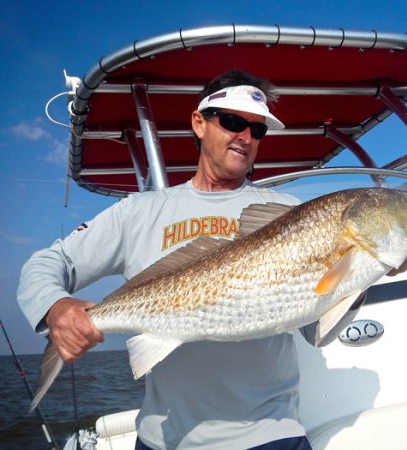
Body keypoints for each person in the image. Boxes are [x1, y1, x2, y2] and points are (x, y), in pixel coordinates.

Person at [18, 69, 320, 450]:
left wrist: (361, 272)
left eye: (257, 130)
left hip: (271, 435)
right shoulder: (138, 212)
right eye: (232, 122)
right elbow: (45, 264)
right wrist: (56, 307)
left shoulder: (291, 214)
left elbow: (316, 329)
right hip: (163, 440)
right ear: (199, 123)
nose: (245, 137)